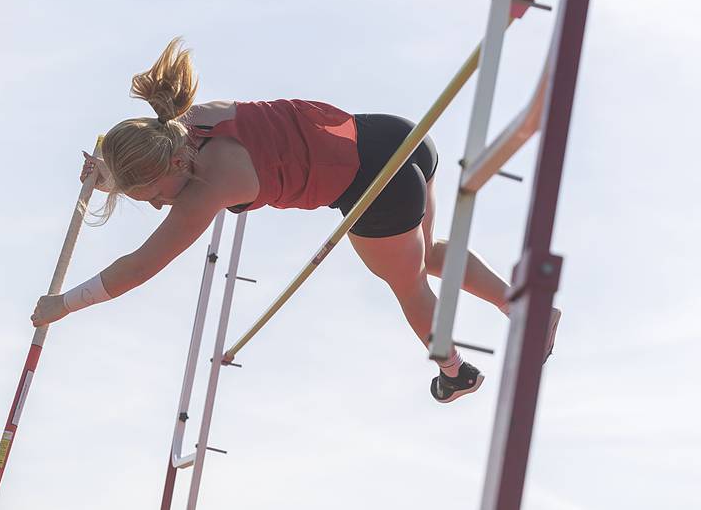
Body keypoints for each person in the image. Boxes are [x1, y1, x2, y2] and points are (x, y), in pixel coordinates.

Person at [30, 37, 560, 404]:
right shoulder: (188, 121)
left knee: (410, 283)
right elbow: (144, 154)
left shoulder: (212, 187)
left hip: (371, 184)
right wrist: (110, 175)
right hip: (396, 136)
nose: (155, 206)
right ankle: (525, 306)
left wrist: (65, 305)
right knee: (429, 251)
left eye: (151, 196)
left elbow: (139, 267)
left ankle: (454, 373)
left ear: (173, 164)